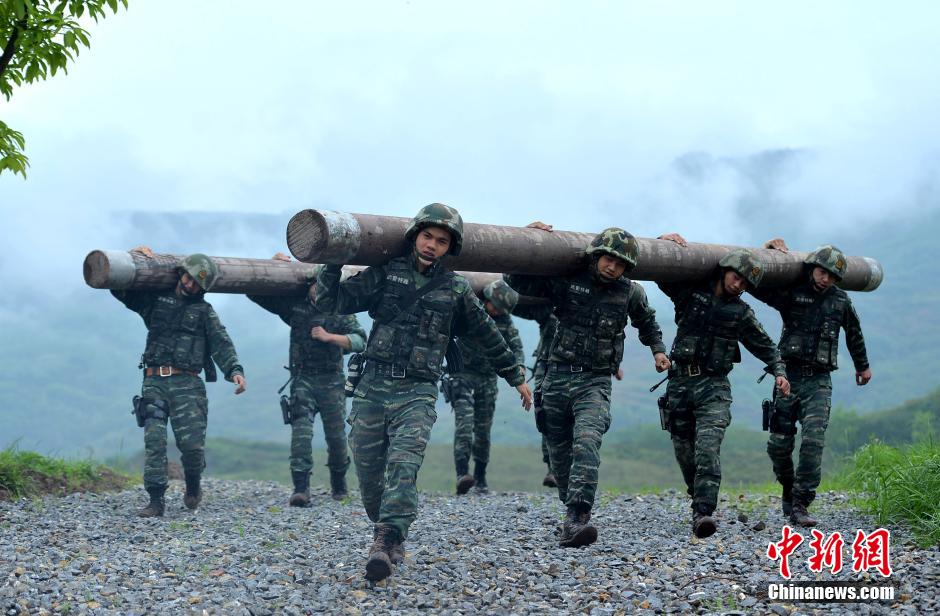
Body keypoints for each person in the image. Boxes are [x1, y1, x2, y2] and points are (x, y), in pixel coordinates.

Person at [315, 203, 532, 582]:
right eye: (427, 236)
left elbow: (486, 333)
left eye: (442, 240)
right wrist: (332, 262)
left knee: (404, 464)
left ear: (451, 247)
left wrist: (515, 375)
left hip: (417, 389)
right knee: (368, 477)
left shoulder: (456, 289)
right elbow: (331, 301)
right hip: (373, 386)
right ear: (415, 235)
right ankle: (390, 528)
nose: (432, 245)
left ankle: (383, 542)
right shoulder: (385, 275)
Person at [506, 224, 670, 548]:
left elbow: (647, 322)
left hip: (594, 380)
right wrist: (522, 239)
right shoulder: (567, 279)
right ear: (596, 255)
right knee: (559, 451)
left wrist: (659, 350)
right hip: (556, 376)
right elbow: (516, 281)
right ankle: (571, 515)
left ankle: (580, 516)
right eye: (608, 258)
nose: (612, 266)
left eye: (620, 263)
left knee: (587, 440)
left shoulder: (630, 292)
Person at [656, 235, 790, 538]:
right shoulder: (690, 294)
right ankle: (698, 495)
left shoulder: (741, 313)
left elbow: (766, 346)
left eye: (745, 283)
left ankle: (703, 513)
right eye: (736, 277)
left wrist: (779, 372)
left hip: (714, 387)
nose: (739, 284)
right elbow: (661, 275)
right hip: (679, 384)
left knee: (707, 447)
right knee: (683, 450)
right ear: (725, 271)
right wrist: (663, 239)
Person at [112, 247, 246, 518]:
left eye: (196, 282)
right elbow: (120, 288)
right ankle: (156, 500)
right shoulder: (155, 301)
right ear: (181, 274)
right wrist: (131, 255)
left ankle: (193, 484)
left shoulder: (204, 312)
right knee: (155, 442)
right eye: (188, 277)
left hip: (188, 384)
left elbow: (221, 343)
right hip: (154, 381)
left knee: (192, 446)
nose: (189, 284)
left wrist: (234, 370)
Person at [753, 240, 872, 527]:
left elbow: (853, 332)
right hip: (788, 377)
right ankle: (788, 487)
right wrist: (765, 250)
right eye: (822, 272)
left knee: (813, 441)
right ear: (813, 269)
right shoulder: (793, 293)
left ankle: (800, 503)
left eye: (832, 275)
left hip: (819, 380)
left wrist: (862, 365)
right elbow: (756, 286)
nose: (826, 278)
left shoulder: (841, 300)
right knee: (779, 445)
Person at [247, 254, 366, 505]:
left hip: (332, 381)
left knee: (336, 437)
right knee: (301, 434)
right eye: (315, 285)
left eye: (324, 285)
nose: (318, 290)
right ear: (310, 286)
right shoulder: (295, 308)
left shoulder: (340, 311)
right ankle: (301, 489)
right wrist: (273, 264)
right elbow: (255, 293)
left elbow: (360, 340)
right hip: (303, 380)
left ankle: (339, 485)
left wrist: (330, 337)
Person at [446, 279, 525, 495]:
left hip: (488, 379)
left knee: (483, 430)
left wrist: (519, 366)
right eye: (495, 307)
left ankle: (480, 478)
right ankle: (462, 474)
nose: (497, 312)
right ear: (487, 298)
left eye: (501, 310)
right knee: (464, 423)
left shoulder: (505, 321)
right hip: (462, 374)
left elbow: (516, 346)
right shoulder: (471, 311)